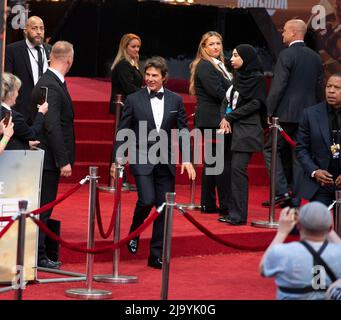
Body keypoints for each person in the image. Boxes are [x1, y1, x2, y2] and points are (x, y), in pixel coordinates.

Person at [111, 56, 196, 269]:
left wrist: (186, 158)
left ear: (164, 78)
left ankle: (155, 255)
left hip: (166, 160)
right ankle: (135, 231)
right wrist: (117, 160)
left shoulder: (176, 100)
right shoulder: (133, 99)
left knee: (163, 207)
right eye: (147, 75)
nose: (150, 79)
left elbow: (183, 130)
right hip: (141, 156)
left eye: (154, 76)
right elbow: (123, 131)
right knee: (147, 200)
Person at [263, 19, 324, 208]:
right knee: (299, 155)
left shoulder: (286, 55)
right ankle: (296, 198)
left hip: (285, 115)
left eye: (284, 31)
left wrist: (269, 111)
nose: (282, 34)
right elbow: (319, 88)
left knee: (269, 149)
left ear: (294, 33)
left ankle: (281, 192)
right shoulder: (316, 57)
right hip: (309, 114)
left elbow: (278, 86)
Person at [31, 41, 75, 269]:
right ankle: (38, 257)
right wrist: (63, 159)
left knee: (43, 208)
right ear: (69, 60)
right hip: (48, 159)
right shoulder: (50, 84)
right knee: (43, 209)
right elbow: (52, 126)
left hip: (46, 157)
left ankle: (38, 254)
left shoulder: (51, 82)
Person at [218, 44, 266, 225]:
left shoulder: (257, 78)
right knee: (230, 170)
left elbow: (256, 104)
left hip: (246, 131)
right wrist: (224, 117)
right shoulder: (237, 77)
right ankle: (232, 212)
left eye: (236, 55)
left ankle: (238, 215)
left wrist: (230, 117)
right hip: (231, 130)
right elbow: (226, 100)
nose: (232, 58)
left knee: (238, 170)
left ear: (246, 57)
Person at [260, 202, 341, 300]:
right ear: (329, 226)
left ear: (298, 225)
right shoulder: (338, 253)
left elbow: (263, 269)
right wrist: (329, 229)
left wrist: (282, 232)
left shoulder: (283, 252)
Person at [189, 31, 232, 215]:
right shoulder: (205, 66)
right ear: (204, 47)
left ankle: (209, 203)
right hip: (213, 121)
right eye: (211, 44)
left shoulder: (218, 64)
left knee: (214, 163)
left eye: (218, 43)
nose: (216, 47)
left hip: (216, 120)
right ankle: (223, 204)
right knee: (219, 163)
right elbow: (218, 92)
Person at [295, 73, 341, 206]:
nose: (331, 91)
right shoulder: (310, 114)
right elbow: (301, 148)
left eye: (337, 88)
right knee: (318, 225)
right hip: (320, 183)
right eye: (329, 86)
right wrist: (314, 171)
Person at [109, 33, 143, 191]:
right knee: (121, 142)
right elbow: (129, 88)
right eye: (133, 46)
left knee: (125, 142)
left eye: (138, 46)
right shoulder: (123, 64)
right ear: (125, 47)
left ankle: (122, 177)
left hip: (129, 107)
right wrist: (145, 94)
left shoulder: (133, 63)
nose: (136, 49)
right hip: (123, 108)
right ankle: (118, 178)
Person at [5, 16, 51, 123]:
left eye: (41, 28)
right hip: (22, 112)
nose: (39, 32)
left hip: (47, 110)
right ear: (25, 31)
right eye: (34, 28)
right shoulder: (12, 50)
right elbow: (7, 82)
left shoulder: (50, 50)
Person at [0, 72, 48, 150]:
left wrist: (25, 144)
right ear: (11, 94)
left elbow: (11, 139)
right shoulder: (13, 117)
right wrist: (41, 113)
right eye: (17, 90)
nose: (18, 94)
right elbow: (32, 134)